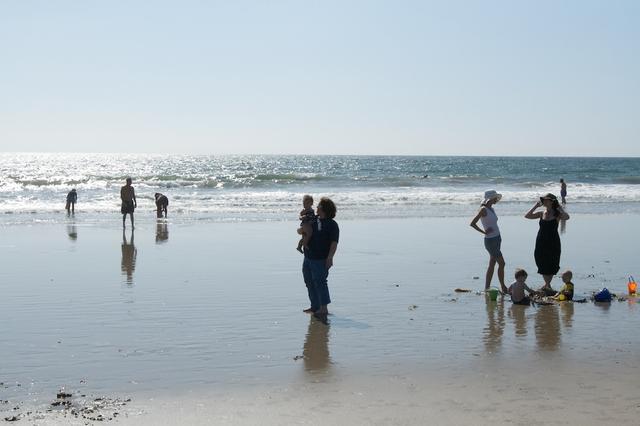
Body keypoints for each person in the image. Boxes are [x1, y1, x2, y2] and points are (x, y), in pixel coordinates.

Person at [302, 197, 339, 320]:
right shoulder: (313, 219)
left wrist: (330, 258)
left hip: (321, 259)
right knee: (309, 282)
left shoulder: (332, 225)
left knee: (320, 282)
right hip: (308, 257)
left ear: (323, 209)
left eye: (318, 206)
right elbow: (303, 230)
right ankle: (314, 306)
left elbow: (334, 243)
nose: (316, 208)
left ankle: (324, 308)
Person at [525, 193, 570, 292]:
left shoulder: (557, 214)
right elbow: (527, 216)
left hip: (553, 241)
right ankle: (547, 284)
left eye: (546, 200)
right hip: (541, 240)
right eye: (543, 200)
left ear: (552, 201)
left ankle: (547, 284)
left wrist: (560, 208)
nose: (544, 202)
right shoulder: (542, 213)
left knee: (552, 261)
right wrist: (536, 206)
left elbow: (567, 217)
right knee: (541, 260)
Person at [470, 190, 508, 293]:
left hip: (497, 238)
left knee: (492, 263)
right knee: (502, 263)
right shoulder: (483, 209)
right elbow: (472, 223)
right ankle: (503, 287)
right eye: (495, 198)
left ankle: (487, 288)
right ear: (490, 198)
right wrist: (484, 232)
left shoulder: (491, 208)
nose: (496, 199)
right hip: (490, 240)